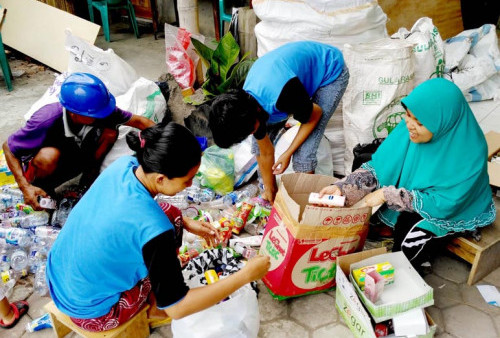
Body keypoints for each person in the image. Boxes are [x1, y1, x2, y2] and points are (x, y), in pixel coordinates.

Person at [46, 122, 270, 332]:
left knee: (172, 213)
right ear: (161, 178)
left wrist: (187, 222)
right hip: (92, 313)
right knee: (166, 236)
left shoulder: (125, 165)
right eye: (187, 180)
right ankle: (155, 304)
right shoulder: (156, 230)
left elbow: (135, 215)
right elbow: (178, 308)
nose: (191, 185)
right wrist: (246, 275)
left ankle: (161, 286)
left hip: (59, 277)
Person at [318, 78, 496, 272]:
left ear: (443, 124)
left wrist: (387, 195)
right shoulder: (408, 132)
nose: (409, 124)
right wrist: (342, 188)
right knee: (364, 166)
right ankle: (385, 225)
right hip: (415, 193)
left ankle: (406, 273)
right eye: (408, 115)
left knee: (410, 234)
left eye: (419, 123)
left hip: (450, 209)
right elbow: (378, 168)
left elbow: (446, 203)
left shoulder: (469, 153)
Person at [208, 41, 349, 204]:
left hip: (329, 71)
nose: (252, 133)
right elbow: (265, 151)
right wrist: (270, 190)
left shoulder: (282, 96)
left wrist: (287, 153)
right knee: (257, 147)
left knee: (303, 154)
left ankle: (305, 207)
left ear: (255, 115)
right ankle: (270, 194)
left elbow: (315, 114)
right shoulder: (245, 105)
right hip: (291, 81)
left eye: (249, 130)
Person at [2, 72, 155, 210]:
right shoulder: (46, 119)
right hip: (48, 164)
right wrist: (25, 187)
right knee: (48, 155)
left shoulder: (101, 112)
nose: (101, 116)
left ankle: (88, 181)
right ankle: (42, 190)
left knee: (110, 131)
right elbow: (8, 147)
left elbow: (141, 122)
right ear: (74, 113)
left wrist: (167, 140)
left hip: (77, 158)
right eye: (95, 114)